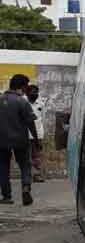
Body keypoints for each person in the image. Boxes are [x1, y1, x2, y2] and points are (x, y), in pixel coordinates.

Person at [0, 74, 39, 205]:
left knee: (3, 167)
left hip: (2, 141)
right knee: (25, 165)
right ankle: (26, 188)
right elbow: (31, 123)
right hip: (20, 140)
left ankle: (6, 196)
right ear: (21, 87)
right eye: (25, 87)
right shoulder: (22, 102)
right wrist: (36, 140)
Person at [26, 85, 46, 183]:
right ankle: (27, 176)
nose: (35, 94)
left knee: (37, 156)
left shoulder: (41, 104)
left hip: (38, 135)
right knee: (26, 157)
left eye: (36, 92)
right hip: (25, 135)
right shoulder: (23, 103)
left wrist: (41, 134)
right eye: (32, 92)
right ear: (27, 93)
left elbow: (42, 120)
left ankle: (37, 175)